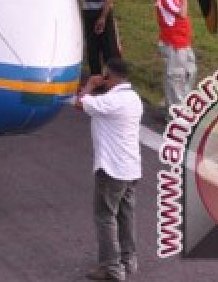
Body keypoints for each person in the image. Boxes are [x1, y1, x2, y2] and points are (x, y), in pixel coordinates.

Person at [73, 57, 142, 282]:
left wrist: (90, 86)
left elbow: (79, 103)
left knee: (105, 216)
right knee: (125, 215)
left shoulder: (111, 102)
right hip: (131, 168)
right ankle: (128, 259)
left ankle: (111, 268)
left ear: (108, 77)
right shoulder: (133, 99)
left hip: (112, 169)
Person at [156, 0, 197, 119]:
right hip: (173, 43)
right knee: (176, 77)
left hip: (183, 42)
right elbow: (182, 14)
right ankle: (175, 115)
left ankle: (176, 105)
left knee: (190, 72)